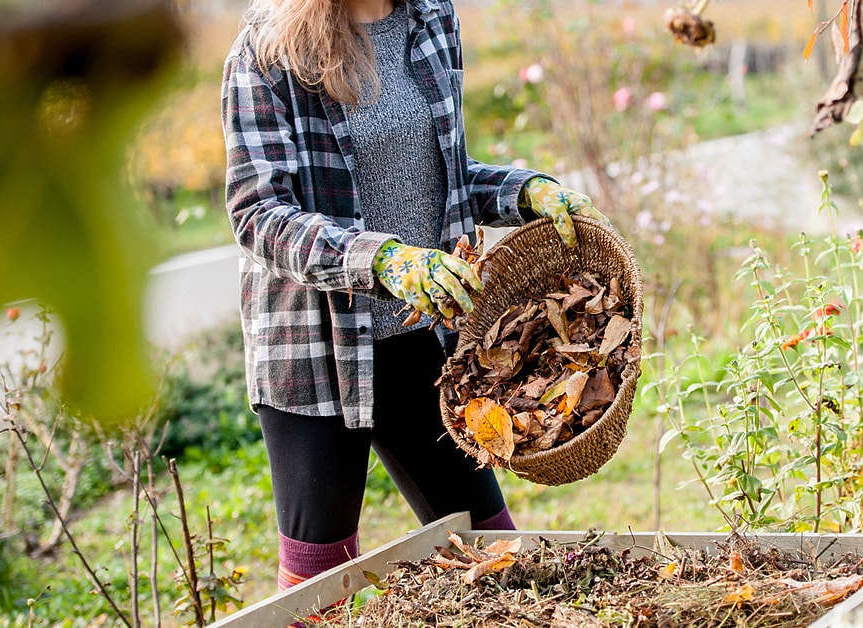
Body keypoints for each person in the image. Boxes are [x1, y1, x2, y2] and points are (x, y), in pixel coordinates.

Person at [220, 0, 609, 594]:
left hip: (420, 340)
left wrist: (524, 190)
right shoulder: (267, 48)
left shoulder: (432, 17)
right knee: (317, 584)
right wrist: (381, 259)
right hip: (317, 355)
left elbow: (443, 173)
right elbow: (258, 215)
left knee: (493, 554)